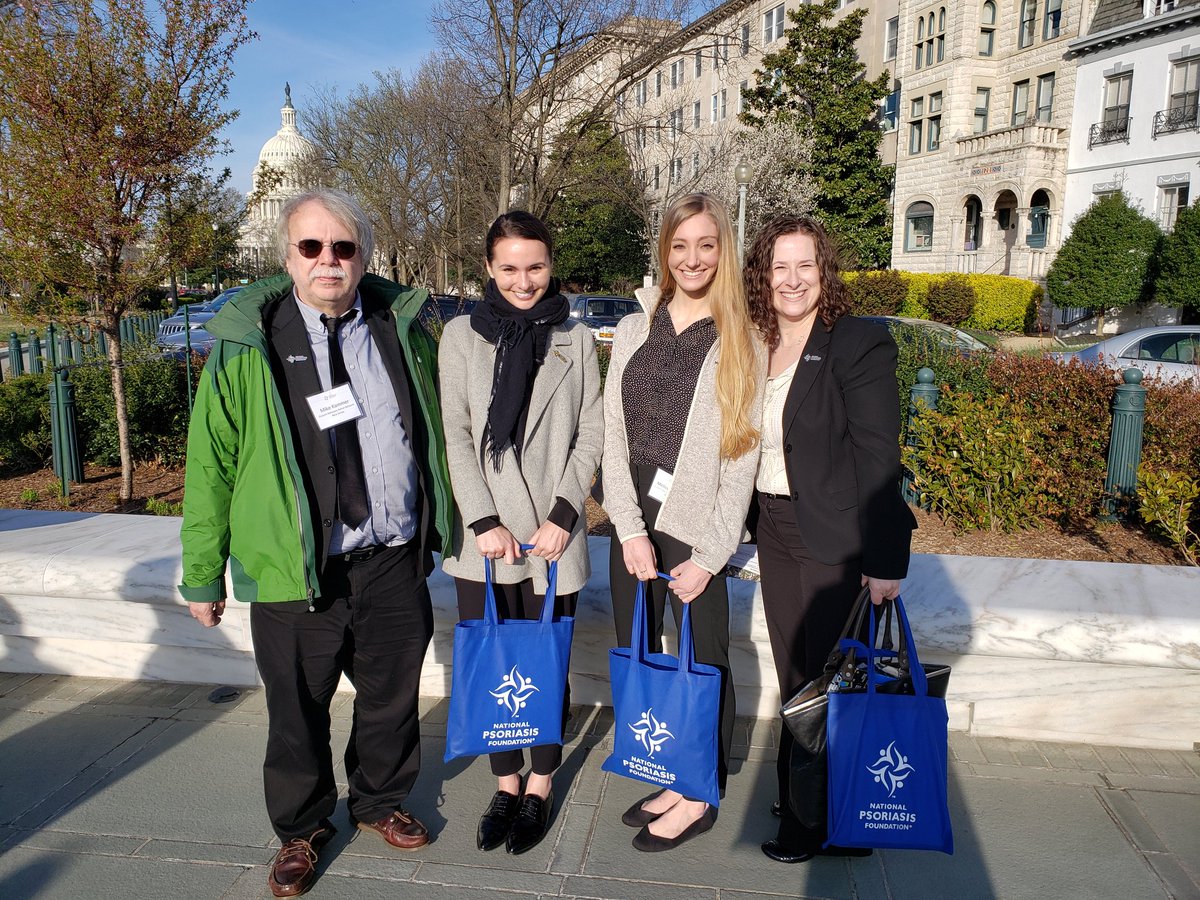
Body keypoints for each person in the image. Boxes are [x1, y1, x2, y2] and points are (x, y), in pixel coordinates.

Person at [179, 189, 452, 898]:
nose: (328, 260)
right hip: (296, 569)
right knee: (296, 709)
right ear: (288, 257)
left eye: (344, 247)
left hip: (390, 557)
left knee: (391, 698)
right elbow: (210, 463)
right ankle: (300, 827)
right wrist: (202, 574)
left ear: (363, 255)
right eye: (311, 247)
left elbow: (434, 435)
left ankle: (379, 801)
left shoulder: (401, 328)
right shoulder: (248, 346)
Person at [742, 214, 916, 864]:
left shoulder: (855, 343)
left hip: (835, 539)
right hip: (776, 530)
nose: (791, 279)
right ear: (764, 276)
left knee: (825, 680)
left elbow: (879, 458)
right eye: (779, 266)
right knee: (797, 673)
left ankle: (815, 826)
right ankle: (815, 806)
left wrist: (885, 559)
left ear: (824, 271)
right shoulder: (757, 342)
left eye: (804, 265)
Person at [601, 192, 764, 852]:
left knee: (703, 656)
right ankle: (672, 768)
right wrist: (628, 527)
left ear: (723, 251)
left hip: (696, 523)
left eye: (706, 245)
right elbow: (612, 430)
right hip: (632, 515)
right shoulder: (639, 324)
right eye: (680, 245)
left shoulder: (742, 337)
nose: (692, 258)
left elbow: (741, 456)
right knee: (643, 647)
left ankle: (700, 790)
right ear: (664, 252)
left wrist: (712, 551)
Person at [439, 211, 604, 855]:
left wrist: (564, 515)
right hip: (486, 538)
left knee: (544, 664)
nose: (523, 280)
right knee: (492, 664)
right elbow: (455, 432)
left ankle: (539, 785)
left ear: (551, 264)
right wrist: (482, 519)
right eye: (509, 267)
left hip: (550, 537)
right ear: (489, 267)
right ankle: (504, 784)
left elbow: (590, 430)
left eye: (535, 266)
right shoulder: (460, 338)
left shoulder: (578, 339)